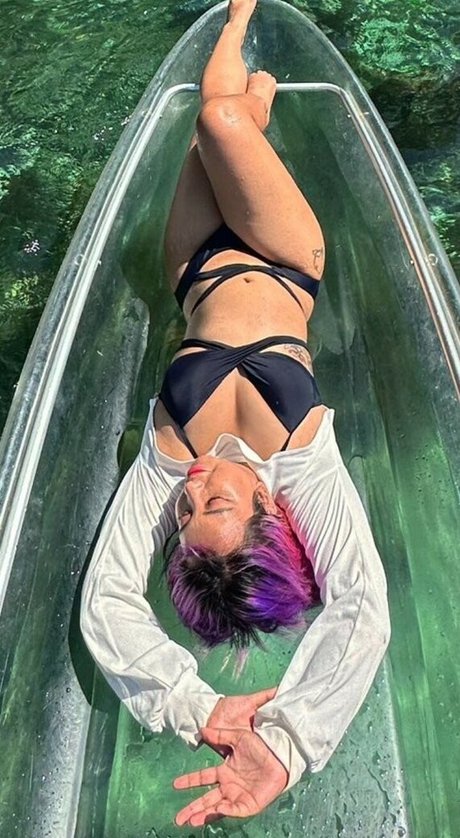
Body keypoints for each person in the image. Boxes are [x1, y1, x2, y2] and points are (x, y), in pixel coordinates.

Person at [80, 0, 391, 827]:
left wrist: (191, 704)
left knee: (209, 126)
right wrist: (289, 744)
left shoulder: (174, 462)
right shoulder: (301, 463)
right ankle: (243, 47)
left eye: (182, 514)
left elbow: (107, 596)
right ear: (268, 509)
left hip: (196, 270)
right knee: (219, 116)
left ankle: (252, 92)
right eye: (213, 500)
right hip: (287, 260)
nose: (191, 486)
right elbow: (361, 604)